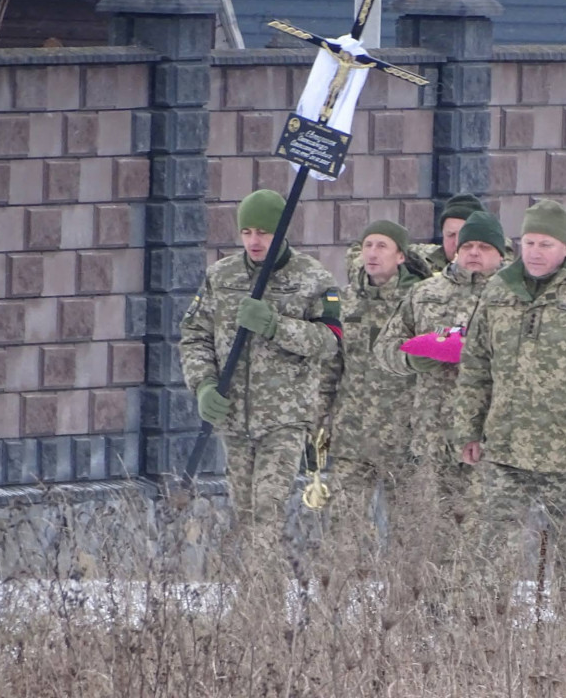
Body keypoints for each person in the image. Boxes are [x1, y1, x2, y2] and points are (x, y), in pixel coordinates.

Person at [452, 199, 566, 599]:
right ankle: (474, 637)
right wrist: (468, 428)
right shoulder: (499, 290)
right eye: (529, 242)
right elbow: (475, 365)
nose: (535, 252)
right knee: (484, 551)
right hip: (504, 447)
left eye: (546, 244)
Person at [179, 189, 342, 554]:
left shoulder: (312, 279)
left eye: (263, 232)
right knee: (245, 512)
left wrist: (275, 325)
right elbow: (194, 336)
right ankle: (255, 600)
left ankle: (260, 598)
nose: (254, 241)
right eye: (247, 232)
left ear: (281, 232)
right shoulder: (221, 277)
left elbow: (329, 341)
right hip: (234, 415)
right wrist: (204, 385)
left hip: (285, 418)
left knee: (267, 510)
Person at [373, 210, 507, 516]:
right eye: (467, 246)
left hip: (491, 434)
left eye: (484, 247)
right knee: (437, 531)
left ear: (500, 253)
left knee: (485, 529)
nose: (474, 252)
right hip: (433, 434)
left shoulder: (511, 297)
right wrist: (411, 359)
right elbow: (384, 347)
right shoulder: (425, 293)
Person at [328, 219, 431, 554]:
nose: (372, 253)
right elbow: (330, 365)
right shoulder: (344, 300)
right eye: (367, 245)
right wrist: (318, 420)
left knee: (407, 536)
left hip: (403, 437)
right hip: (351, 438)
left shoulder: (418, 302)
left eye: (382, 246)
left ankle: (403, 605)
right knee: (342, 532)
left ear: (401, 256)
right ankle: (336, 604)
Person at [343, 193, 486, 280]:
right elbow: (360, 257)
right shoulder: (425, 257)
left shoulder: (492, 262)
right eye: (450, 235)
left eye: (463, 235)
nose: (456, 242)